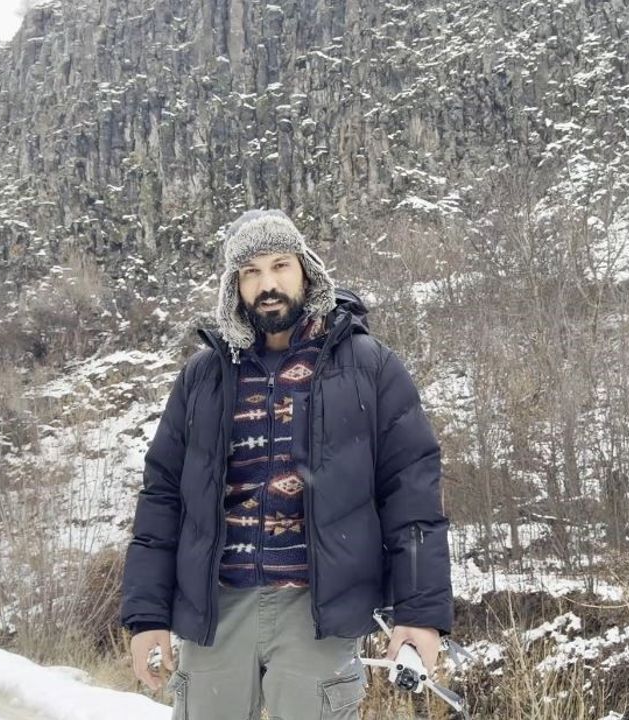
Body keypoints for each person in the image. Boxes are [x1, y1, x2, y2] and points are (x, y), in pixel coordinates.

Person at [121, 208, 452, 719]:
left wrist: (420, 613)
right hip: (215, 611)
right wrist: (147, 615)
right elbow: (162, 496)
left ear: (306, 270)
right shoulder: (203, 376)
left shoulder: (368, 365)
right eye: (250, 272)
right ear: (235, 286)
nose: (267, 284)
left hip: (317, 612)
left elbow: (411, 490)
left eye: (280, 265)